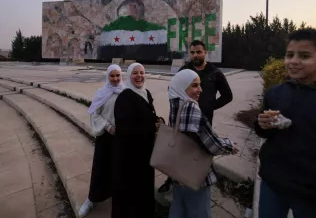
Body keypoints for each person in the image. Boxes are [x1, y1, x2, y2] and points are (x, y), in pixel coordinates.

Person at [255, 28, 316, 218]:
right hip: (273, 184)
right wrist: (262, 125)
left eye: (304, 56)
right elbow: (263, 133)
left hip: (314, 195)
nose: (294, 61)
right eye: (289, 55)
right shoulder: (275, 93)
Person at [159, 39, 233, 194]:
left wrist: (210, 106)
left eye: (198, 52)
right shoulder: (184, 71)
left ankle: (200, 179)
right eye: (192, 52)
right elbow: (172, 89)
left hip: (203, 122)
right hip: (183, 121)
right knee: (178, 151)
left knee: (201, 153)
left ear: (205, 53)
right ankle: (172, 180)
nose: (195, 55)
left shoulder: (214, 72)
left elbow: (228, 95)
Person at [167, 69, 238, 218]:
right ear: (183, 86)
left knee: (178, 210)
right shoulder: (190, 107)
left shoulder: (175, 101)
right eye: (194, 85)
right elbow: (212, 143)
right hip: (195, 175)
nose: (200, 89)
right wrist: (230, 145)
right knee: (200, 212)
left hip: (178, 170)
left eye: (199, 85)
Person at [111, 63, 163, 218]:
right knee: (131, 191)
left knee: (144, 189)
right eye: (135, 73)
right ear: (129, 76)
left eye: (142, 72)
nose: (139, 76)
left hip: (146, 152)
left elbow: (149, 114)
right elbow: (125, 129)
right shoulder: (125, 97)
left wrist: (159, 120)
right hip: (130, 156)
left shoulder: (145, 93)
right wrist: (153, 127)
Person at [78, 64, 125, 217]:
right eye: (112, 76)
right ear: (107, 77)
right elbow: (94, 114)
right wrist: (108, 127)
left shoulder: (126, 93)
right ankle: (92, 199)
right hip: (106, 138)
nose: (116, 79)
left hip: (121, 139)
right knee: (100, 169)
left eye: (118, 75)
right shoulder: (101, 93)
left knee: (119, 169)